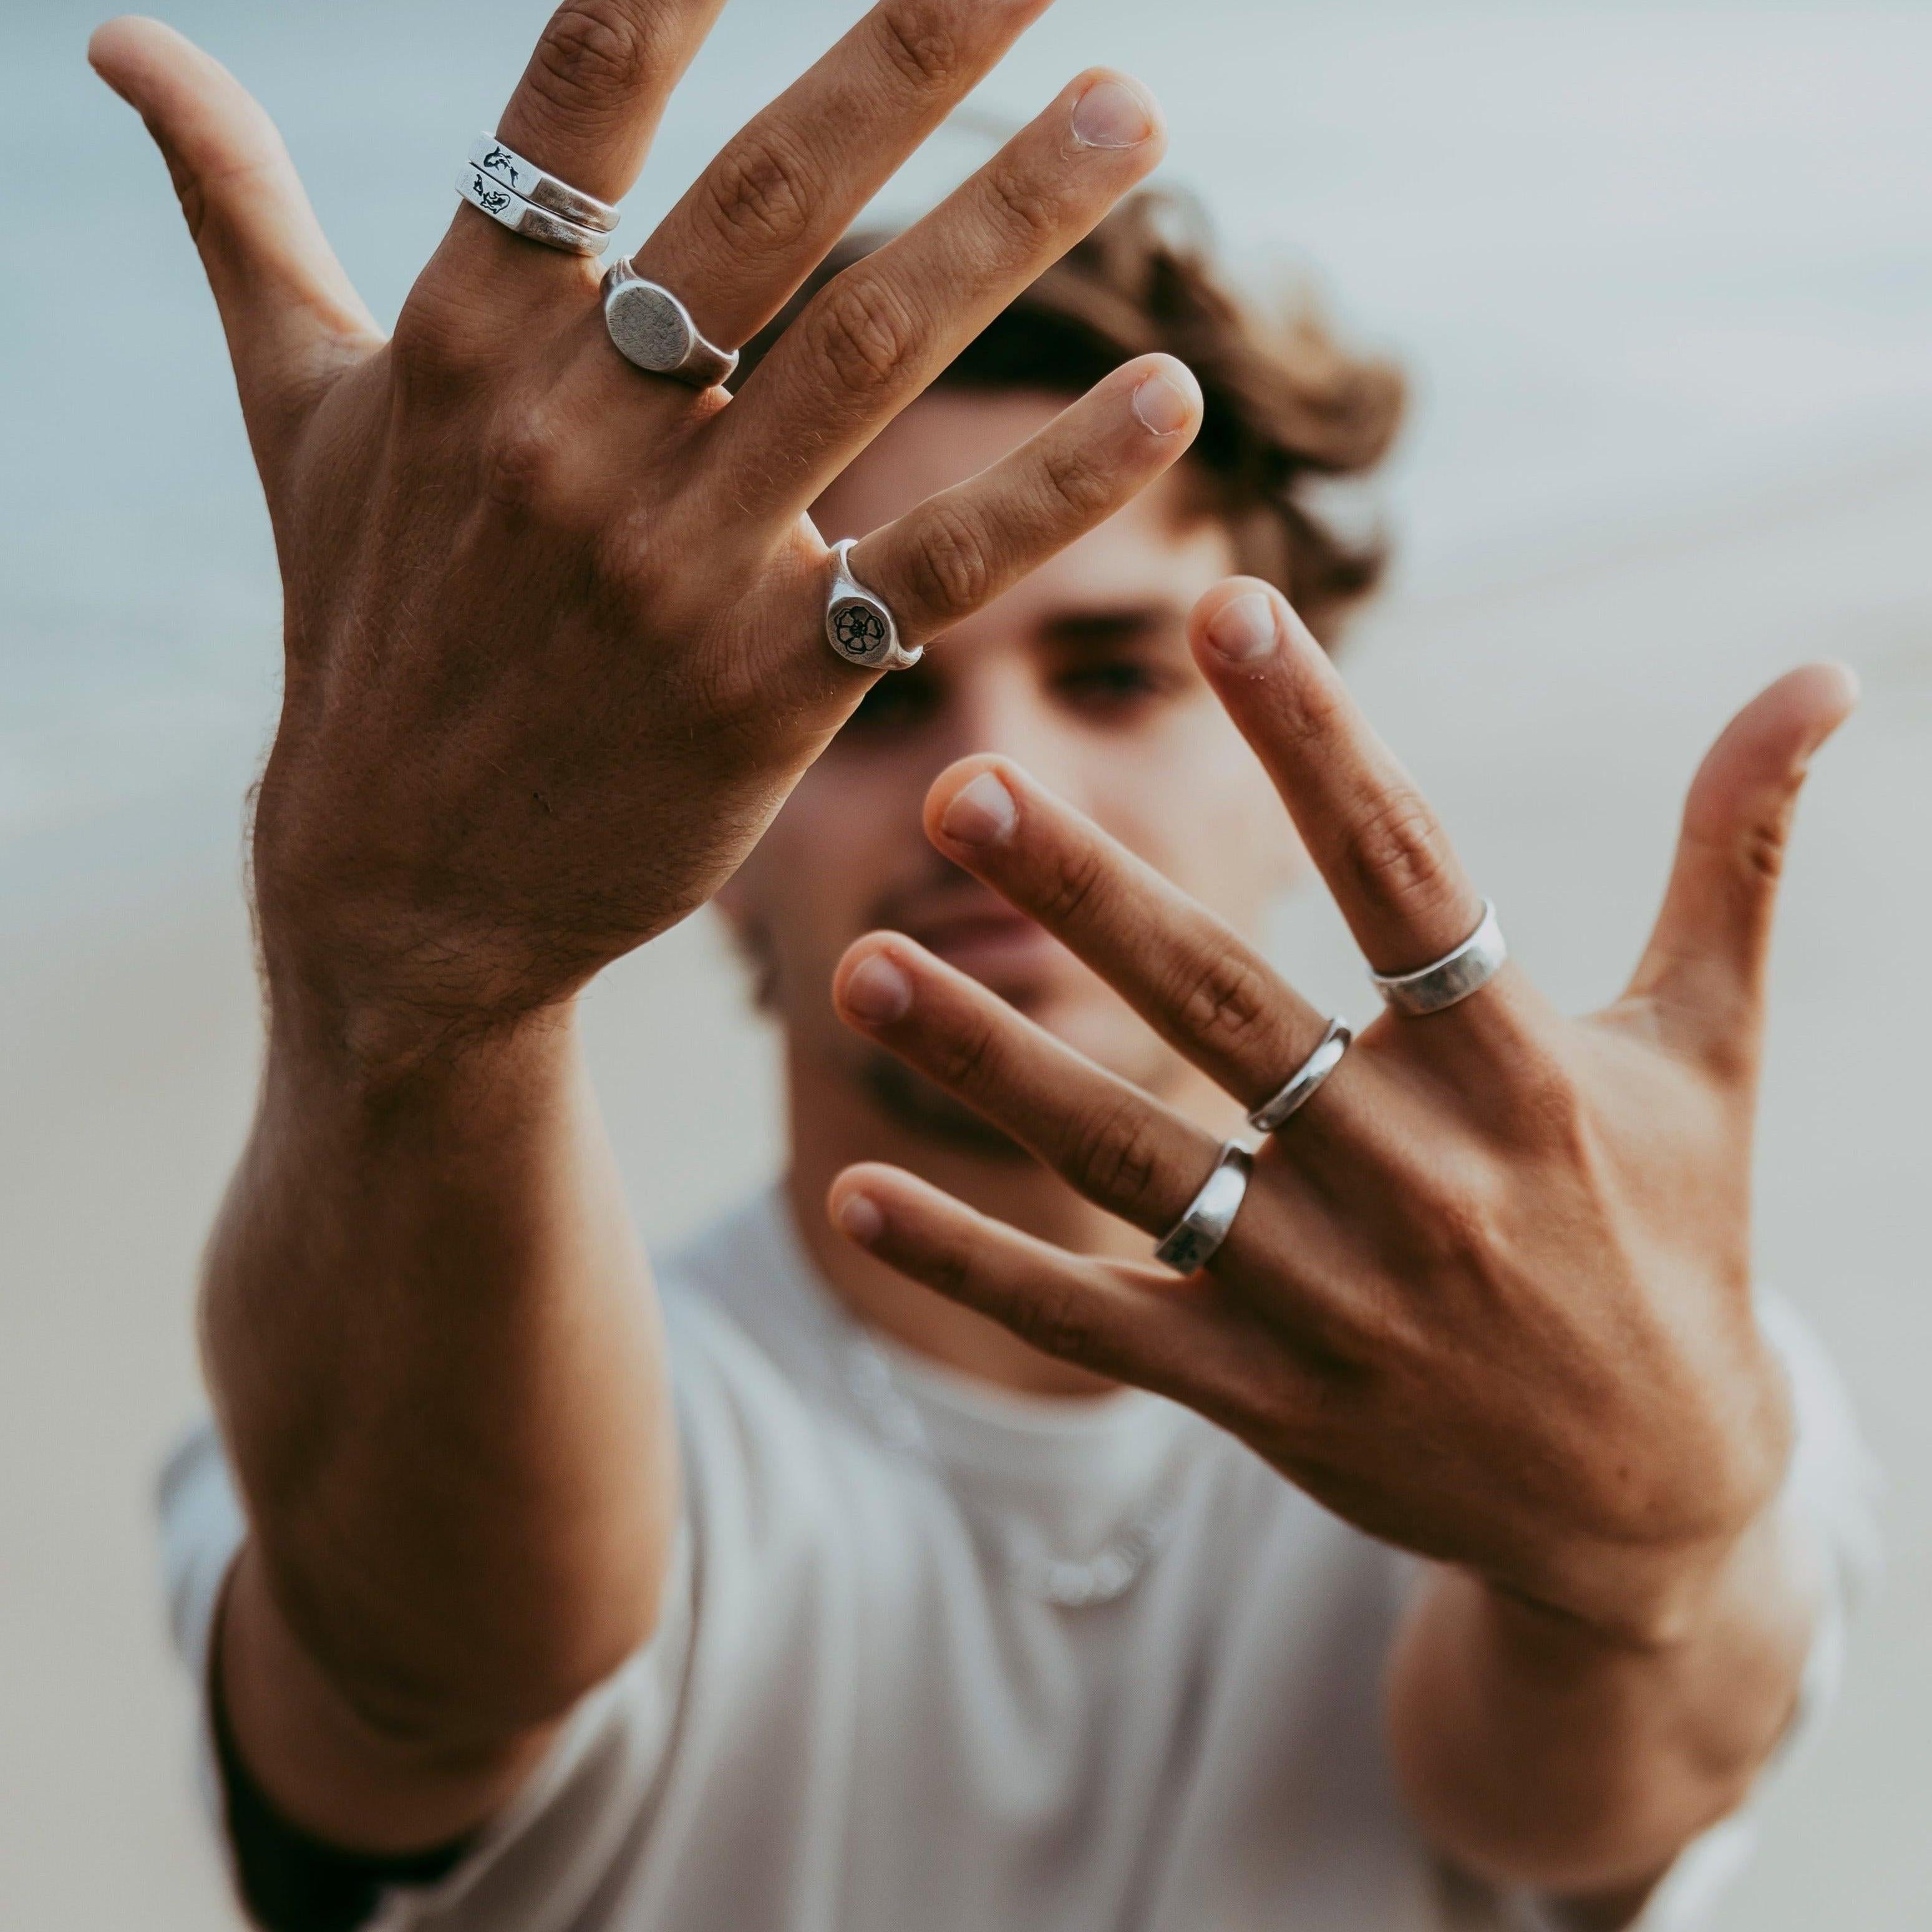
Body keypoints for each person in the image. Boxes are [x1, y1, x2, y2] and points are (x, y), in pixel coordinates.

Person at [95, 4, 1877, 1930]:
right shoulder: (494, 1360)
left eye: (1113, 670)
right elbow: (421, 1667)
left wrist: (1653, 1552)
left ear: (1293, 756)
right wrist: (406, 972)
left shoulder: (1607, 1361)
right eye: (862, 691)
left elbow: (1572, 1785)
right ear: (709, 832)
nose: (985, 786)